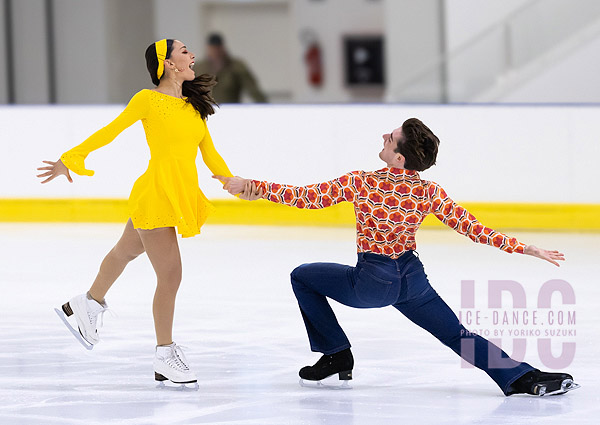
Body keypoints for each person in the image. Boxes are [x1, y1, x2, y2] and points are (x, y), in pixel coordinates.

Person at [214, 118, 579, 396]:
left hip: (373, 282)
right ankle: (519, 376)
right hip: (412, 280)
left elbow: (306, 197)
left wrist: (253, 187)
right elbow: (473, 229)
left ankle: (336, 353)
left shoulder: (362, 181)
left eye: (389, 139)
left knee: (302, 276)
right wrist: (524, 247)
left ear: (399, 157)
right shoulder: (429, 191)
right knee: (457, 334)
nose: (383, 139)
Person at [37, 39, 237, 386]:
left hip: (170, 194)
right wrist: (69, 158)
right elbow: (110, 131)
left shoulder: (193, 107)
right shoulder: (147, 100)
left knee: (124, 252)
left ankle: (86, 303)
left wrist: (233, 181)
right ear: (169, 63)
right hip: (156, 194)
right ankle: (164, 354)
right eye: (184, 50)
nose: (191, 55)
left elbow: (211, 154)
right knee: (171, 275)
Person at [194, 33, 267, 103]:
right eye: (213, 48)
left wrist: (264, 107)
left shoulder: (236, 66)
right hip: (206, 111)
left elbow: (252, 89)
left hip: (229, 110)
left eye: (218, 48)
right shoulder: (199, 68)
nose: (215, 51)